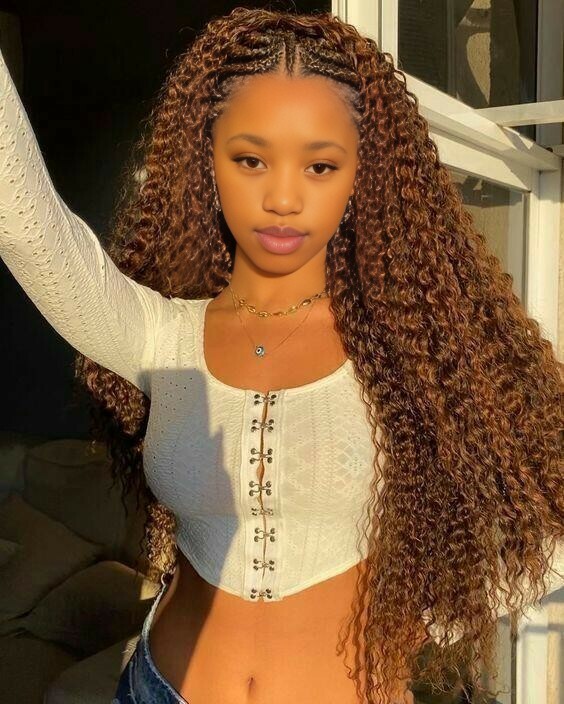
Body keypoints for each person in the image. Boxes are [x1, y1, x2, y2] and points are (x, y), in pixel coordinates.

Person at [1, 6, 562, 704]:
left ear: (362, 176)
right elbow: (25, 227)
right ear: (207, 162)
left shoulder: (414, 349)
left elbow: (550, 514)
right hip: (157, 688)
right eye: (250, 159)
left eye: (320, 165)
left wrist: (436, 618)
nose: (284, 198)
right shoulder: (158, 335)